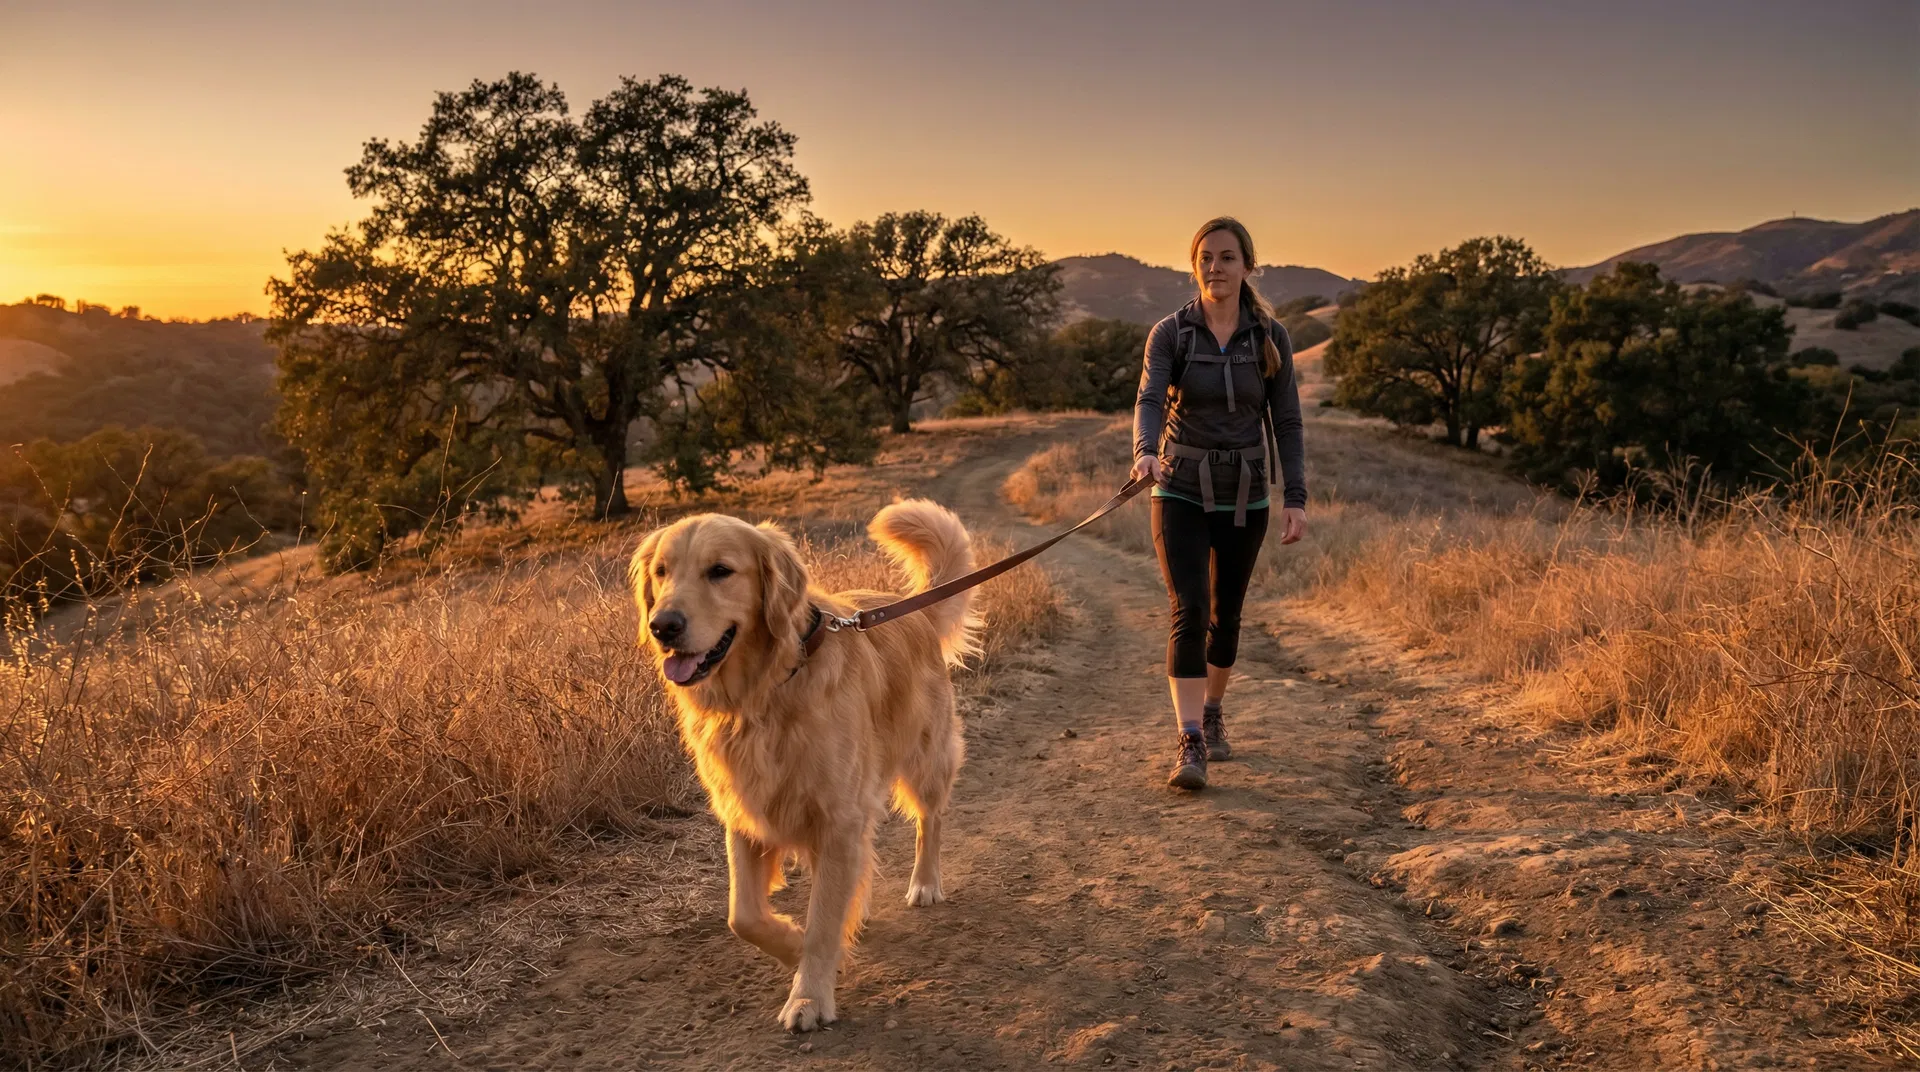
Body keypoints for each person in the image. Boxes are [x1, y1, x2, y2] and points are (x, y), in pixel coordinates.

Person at [1131, 217, 1307, 791]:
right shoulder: (1171, 333)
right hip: (1179, 485)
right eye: (1205, 258)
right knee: (1188, 608)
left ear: (1247, 266)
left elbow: (1287, 423)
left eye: (1227, 258)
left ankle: (1211, 709)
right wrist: (1145, 453)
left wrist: (1295, 497)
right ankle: (1189, 740)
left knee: (1224, 617)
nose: (1215, 268)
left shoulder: (1270, 338)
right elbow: (1151, 396)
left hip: (1247, 495)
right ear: (1195, 265)